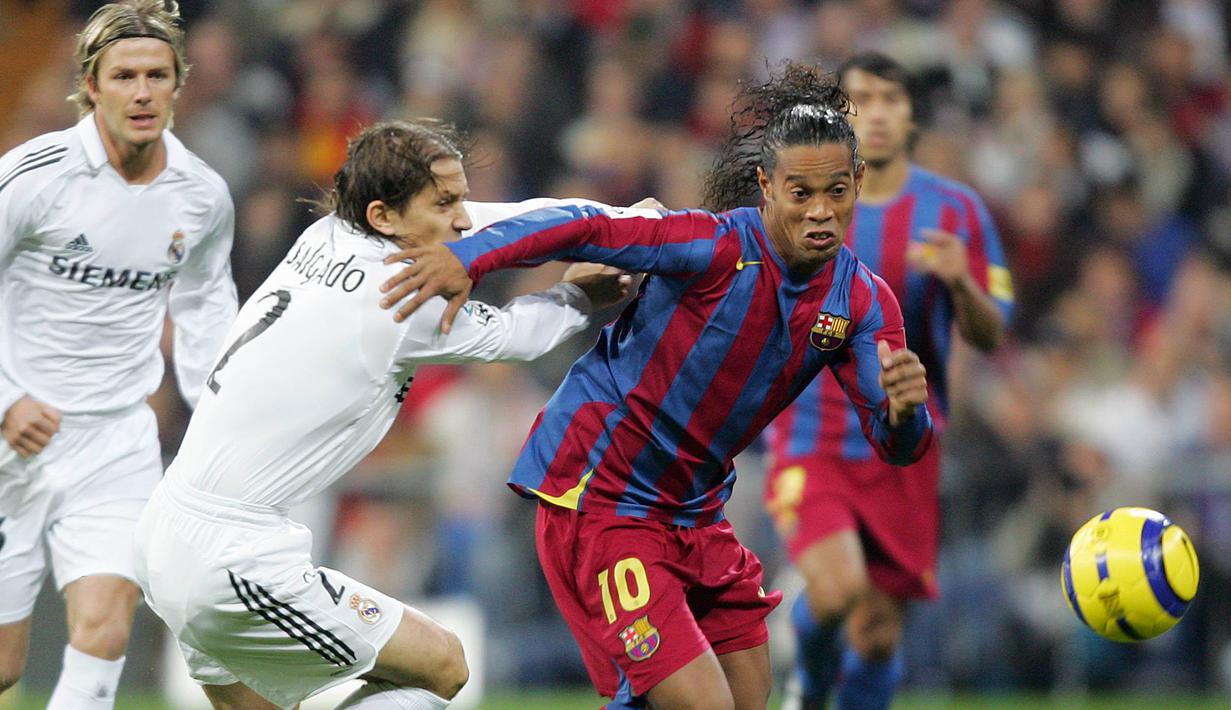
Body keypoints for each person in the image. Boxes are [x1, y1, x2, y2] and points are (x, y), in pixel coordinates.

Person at [378, 63, 935, 710]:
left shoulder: (863, 303)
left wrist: (904, 414)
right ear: (765, 186)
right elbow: (585, 226)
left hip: (695, 512)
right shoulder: (713, 246)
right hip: (602, 496)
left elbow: (898, 445)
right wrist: (470, 257)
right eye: (800, 192)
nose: (819, 212)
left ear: (858, 182)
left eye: (835, 192)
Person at [133, 119, 633, 710]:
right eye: (445, 203)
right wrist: (579, 298)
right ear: (383, 217)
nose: (465, 220)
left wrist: (626, 222)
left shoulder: (326, 235)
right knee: (441, 665)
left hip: (168, 530)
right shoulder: (398, 296)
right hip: (231, 555)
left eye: (460, 198)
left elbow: (508, 215)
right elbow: (518, 337)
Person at [0, 3, 237, 707]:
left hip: (115, 442)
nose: (141, 91)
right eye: (124, 75)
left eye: (157, 75)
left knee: (103, 631)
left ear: (177, 84)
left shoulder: (200, 196)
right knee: (5, 665)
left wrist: (219, 425)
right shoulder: (33, 176)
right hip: (14, 440)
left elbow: (204, 308)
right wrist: (6, 399)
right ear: (91, 85)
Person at [762, 53, 1014, 710]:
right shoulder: (797, 204)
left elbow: (990, 334)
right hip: (812, 435)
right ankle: (807, 687)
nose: (875, 112)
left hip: (906, 442)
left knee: (875, 636)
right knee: (837, 589)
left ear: (909, 114)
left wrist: (960, 280)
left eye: (889, 99)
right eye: (860, 99)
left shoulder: (953, 211)